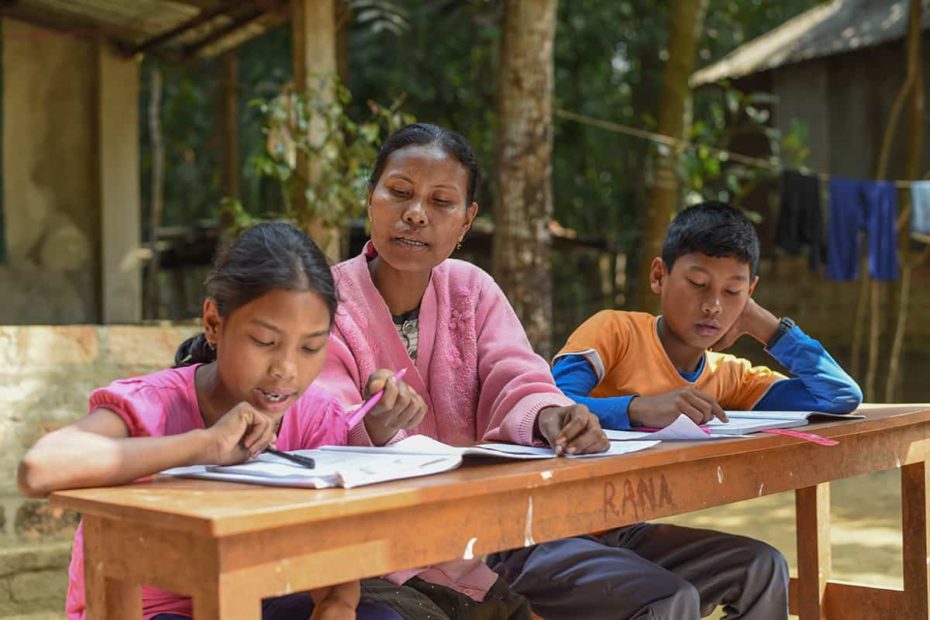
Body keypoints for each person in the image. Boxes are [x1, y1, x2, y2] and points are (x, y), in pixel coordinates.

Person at [490, 202, 863, 619]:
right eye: (699, 284)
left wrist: (765, 325)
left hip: (620, 534)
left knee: (762, 566)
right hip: (541, 537)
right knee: (670, 598)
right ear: (658, 276)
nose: (713, 306)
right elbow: (551, 405)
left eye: (733, 292)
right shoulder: (615, 331)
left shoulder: (729, 377)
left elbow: (837, 396)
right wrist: (638, 409)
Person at [17, 222, 400, 620]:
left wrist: (337, 604)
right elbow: (39, 469)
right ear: (214, 324)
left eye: (310, 347)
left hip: (254, 598)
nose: (287, 369)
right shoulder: (156, 405)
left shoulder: (315, 415)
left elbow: (333, 543)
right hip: (146, 609)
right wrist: (203, 445)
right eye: (265, 342)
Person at [316, 122, 611, 619]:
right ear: (371, 199)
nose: (415, 214)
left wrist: (550, 416)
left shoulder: (471, 291)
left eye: (441, 202)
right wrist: (372, 423)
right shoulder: (322, 299)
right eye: (400, 193)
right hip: (358, 552)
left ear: (466, 221)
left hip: (468, 543)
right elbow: (318, 413)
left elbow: (516, 377)